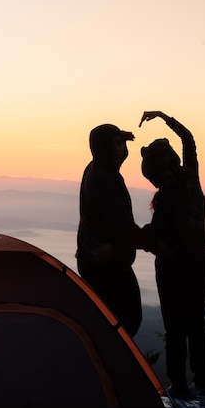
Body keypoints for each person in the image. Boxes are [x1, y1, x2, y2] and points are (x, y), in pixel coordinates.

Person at [139, 111, 205, 399]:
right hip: (200, 260)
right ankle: (204, 384)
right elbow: (189, 140)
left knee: (174, 326)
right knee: (196, 322)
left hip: (172, 265)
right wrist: (163, 117)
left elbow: (154, 234)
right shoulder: (190, 178)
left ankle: (178, 386)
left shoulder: (165, 195)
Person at [76, 123, 144, 336]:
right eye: (111, 145)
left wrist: (120, 137)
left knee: (110, 324)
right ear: (99, 149)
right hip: (106, 264)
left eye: (119, 144)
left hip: (93, 259)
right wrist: (156, 243)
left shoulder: (96, 169)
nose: (118, 149)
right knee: (124, 323)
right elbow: (122, 226)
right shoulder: (104, 180)